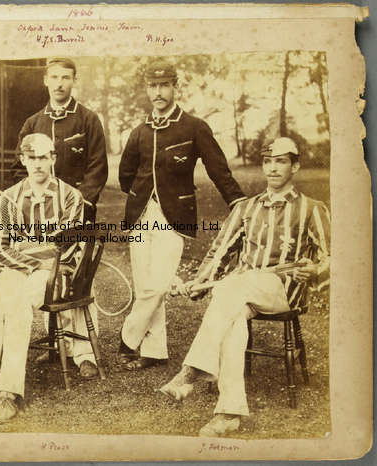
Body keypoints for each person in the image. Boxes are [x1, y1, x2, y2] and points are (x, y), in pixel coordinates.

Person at [160, 137, 330, 437]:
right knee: (232, 313)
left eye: (281, 161)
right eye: (268, 161)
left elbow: (334, 256)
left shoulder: (312, 209)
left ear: (295, 166)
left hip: (283, 291)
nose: (273, 167)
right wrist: (198, 284)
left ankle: (191, 372)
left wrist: (315, 269)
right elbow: (221, 251)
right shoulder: (246, 208)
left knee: (231, 289)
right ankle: (229, 412)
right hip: (240, 291)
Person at [117, 58, 247, 371]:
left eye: (164, 85)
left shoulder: (194, 127)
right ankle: (154, 351)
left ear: (175, 87)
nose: (158, 92)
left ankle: (127, 338)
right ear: (147, 89)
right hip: (139, 215)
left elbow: (218, 168)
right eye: (153, 86)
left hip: (175, 216)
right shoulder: (139, 131)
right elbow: (124, 175)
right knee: (146, 282)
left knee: (158, 284)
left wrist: (239, 201)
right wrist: (141, 195)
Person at [0, 133, 84, 424]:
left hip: (54, 276)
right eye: (32, 158)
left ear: (53, 159)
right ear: (23, 160)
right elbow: (2, 250)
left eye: (44, 157)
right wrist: (31, 259)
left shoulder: (70, 197)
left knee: (16, 309)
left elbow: (66, 247)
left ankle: (8, 394)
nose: (38, 164)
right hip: (19, 270)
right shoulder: (10, 197)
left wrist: (29, 248)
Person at [17, 57, 107, 379]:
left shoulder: (87, 120)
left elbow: (98, 168)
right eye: (53, 77)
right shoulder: (32, 123)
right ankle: (57, 348)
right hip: (42, 218)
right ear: (45, 80)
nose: (59, 83)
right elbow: (23, 171)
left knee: (76, 283)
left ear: (73, 80)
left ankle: (84, 354)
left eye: (65, 77)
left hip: (78, 216)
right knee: (45, 276)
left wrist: (78, 205)